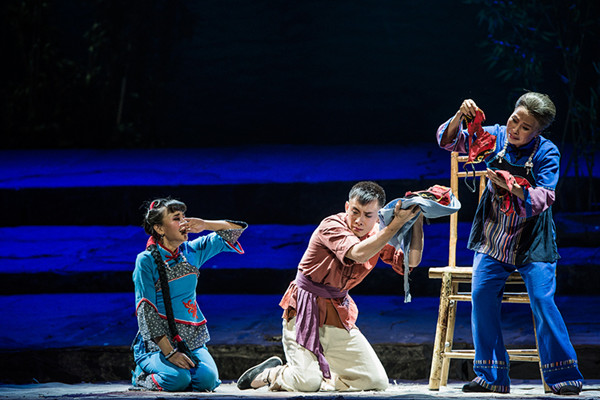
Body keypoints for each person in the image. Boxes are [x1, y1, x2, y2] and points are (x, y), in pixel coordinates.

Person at [437, 92, 584, 395]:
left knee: (542, 300)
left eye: (526, 127)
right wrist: (460, 116)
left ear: (538, 131)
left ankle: (563, 374)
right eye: (515, 120)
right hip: (494, 236)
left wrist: (514, 188)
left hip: (533, 241)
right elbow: (449, 141)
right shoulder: (496, 136)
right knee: (481, 295)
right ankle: (491, 376)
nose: (515, 129)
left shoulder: (547, 152)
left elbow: (545, 196)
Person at [236, 181, 424, 392]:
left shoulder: (377, 233)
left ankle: (322, 377)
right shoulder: (332, 225)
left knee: (375, 381)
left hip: (336, 313)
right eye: (355, 211)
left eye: (368, 215)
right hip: (304, 310)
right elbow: (358, 253)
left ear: (378, 216)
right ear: (347, 207)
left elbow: (411, 261)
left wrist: (417, 218)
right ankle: (273, 373)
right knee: (307, 383)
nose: (359, 220)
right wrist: (395, 225)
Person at [130, 197, 246, 392]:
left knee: (208, 380)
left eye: (184, 217)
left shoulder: (192, 251)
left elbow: (235, 231)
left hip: (190, 340)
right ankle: (142, 376)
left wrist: (205, 224)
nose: (184, 222)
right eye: (176, 218)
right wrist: (170, 353)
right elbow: (146, 312)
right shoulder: (146, 260)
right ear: (159, 228)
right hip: (158, 344)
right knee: (178, 380)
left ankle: (179, 373)